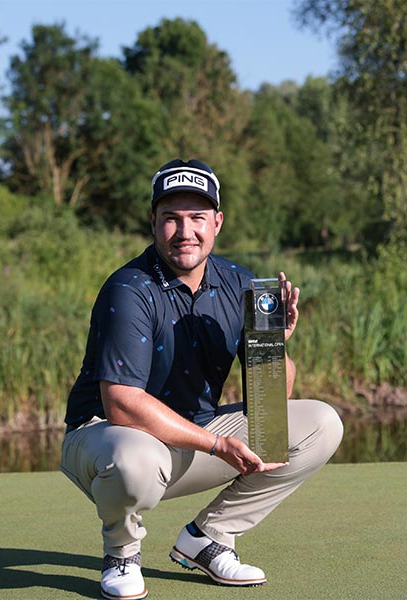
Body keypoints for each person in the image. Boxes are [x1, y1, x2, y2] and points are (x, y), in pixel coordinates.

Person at [61, 158, 344, 600]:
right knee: (134, 456)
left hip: (190, 436)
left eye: (197, 218)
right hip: (105, 439)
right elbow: (119, 403)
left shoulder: (243, 284)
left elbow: (272, 404)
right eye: (171, 218)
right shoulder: (129, 288)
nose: (184, 231)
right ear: (153, 222)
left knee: (321, 423)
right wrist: (217, 444)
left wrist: (275, 347)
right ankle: (121, 553)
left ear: (217, 222)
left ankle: (208, 537)